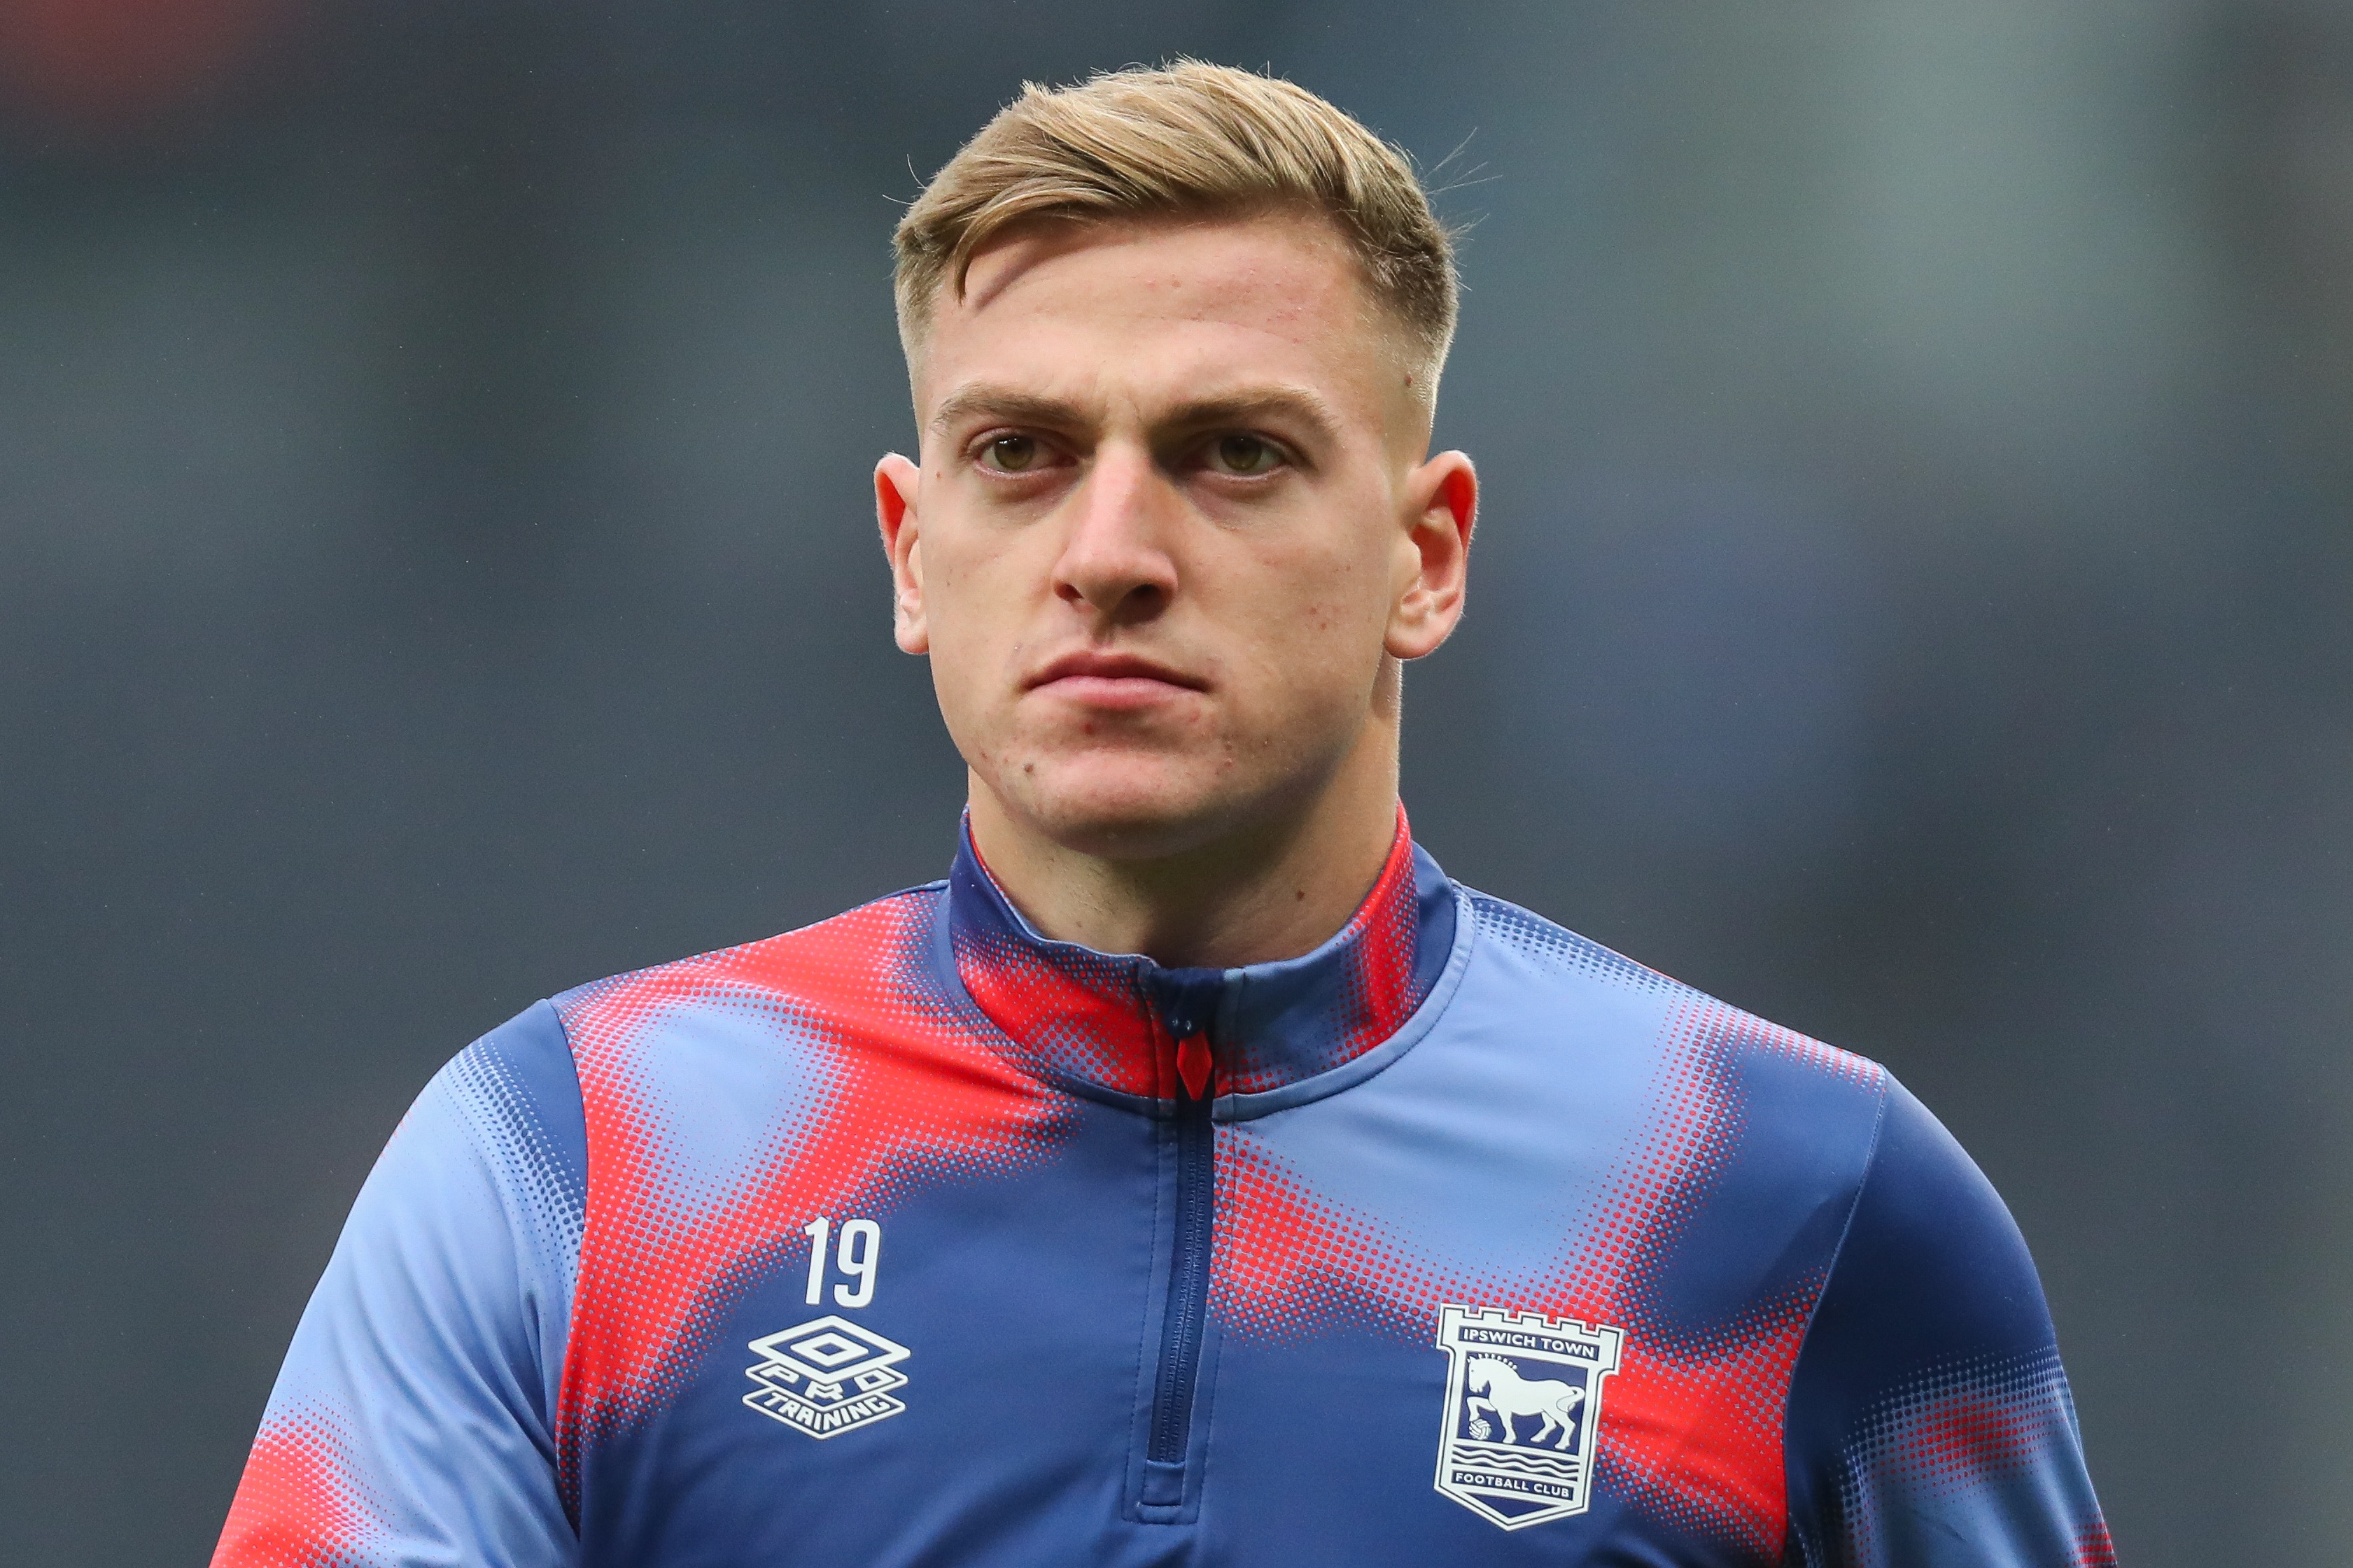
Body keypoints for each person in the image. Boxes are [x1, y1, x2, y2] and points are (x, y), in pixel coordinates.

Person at [212, 62, 2114, 1567]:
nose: (1110, 550)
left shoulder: (1797, 1200)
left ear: (1426, 555)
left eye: (1234, 454)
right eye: (1021, 455)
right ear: (911, 551)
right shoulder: (571, 1171)